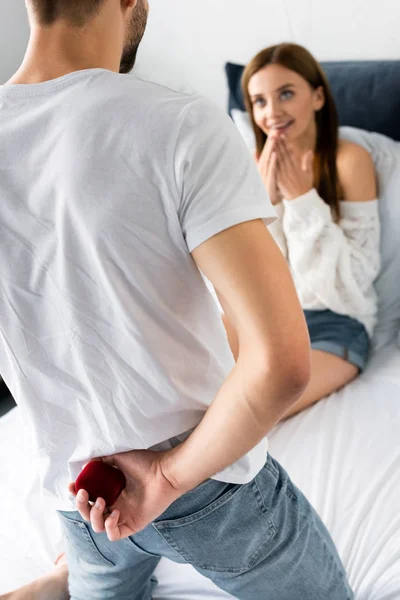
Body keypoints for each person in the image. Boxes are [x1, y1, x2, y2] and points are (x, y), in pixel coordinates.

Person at [0, 2, 353, 598]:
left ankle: (69, 576)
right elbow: (282, 363)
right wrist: (164, 475)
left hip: (80, 495)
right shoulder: (178, 123)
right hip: (210, 489)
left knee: (97, 569)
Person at [235, 43, 380, 419]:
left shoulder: (348, 161)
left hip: (337, 323)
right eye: (260, 101)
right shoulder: (253, 165)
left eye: (286, 93)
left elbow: (352, 282)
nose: (272, 112)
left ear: (317, 96)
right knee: (182, 382)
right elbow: (247, 275)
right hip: (268, 317)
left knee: (252, 414)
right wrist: (264, 205)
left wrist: (302, 201)